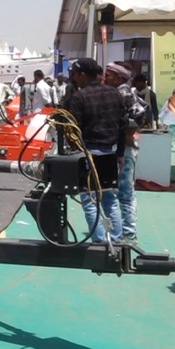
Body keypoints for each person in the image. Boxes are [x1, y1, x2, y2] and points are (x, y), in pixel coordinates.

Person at [64, 58, 127, 243]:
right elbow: (123, 125)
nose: (74, 78)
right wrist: (120, 153)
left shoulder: (79, 97)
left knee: (90, 200)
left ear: (82, 75)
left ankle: (99, 241)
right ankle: (116, 239)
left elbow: (74, 129)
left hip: (88, 154)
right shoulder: (114, 93)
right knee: (110, 198)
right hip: (110, 153)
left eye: (75, 74)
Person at [103, 62, 147, 243]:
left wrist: (127, 132)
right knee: (122, 192)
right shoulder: (122, 92)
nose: (105, 78)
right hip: (121, 148)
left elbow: (139, 115)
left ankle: (127, 233)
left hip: (123, 150)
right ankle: (124, 232)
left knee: (123, 193)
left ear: (119, 77)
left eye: (109, 75)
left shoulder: (123, 93)